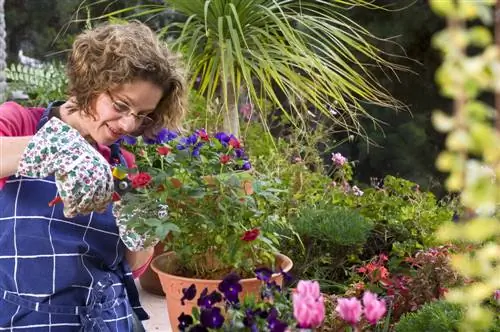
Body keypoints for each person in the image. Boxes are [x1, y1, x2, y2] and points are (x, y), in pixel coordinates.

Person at [0, 21, 186, 331]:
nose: (128, 125)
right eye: (121, 105)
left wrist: (144, 231)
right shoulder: (19, 123)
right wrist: (56, 147)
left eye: (142, 115)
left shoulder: (124, 164)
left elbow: (133, 266)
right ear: (90, 81)